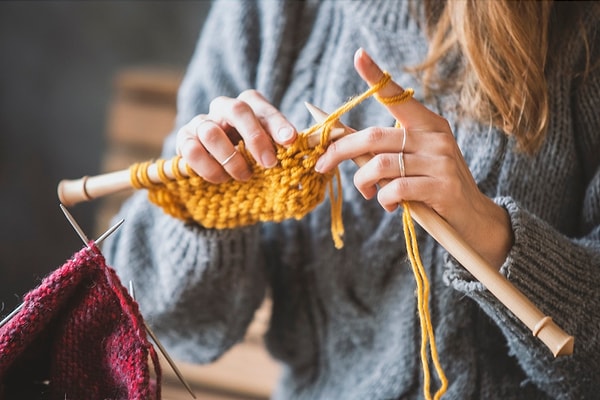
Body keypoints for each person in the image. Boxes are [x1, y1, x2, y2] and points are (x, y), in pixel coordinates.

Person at [104, 1, 600, 399]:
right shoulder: (272, 11)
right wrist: (208, 205)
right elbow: (165, 320)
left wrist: (491, 235)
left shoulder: (583, 31)